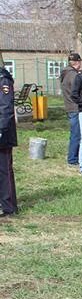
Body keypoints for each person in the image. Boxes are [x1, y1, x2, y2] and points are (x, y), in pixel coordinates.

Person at [0, 64, 18, 217]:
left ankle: (9, 206)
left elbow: (6, 108)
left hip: (3, 134)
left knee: (4, 170)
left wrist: (1, 130)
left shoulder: (3, 79)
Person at [60, 53, 82, 167]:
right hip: (75, 107)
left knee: (75, 133)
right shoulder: (73, 75)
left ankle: (73, 156)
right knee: (76, 134)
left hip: (69, 106)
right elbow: (78, 91)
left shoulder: (65, 73)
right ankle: (73, 159)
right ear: (77, 63)